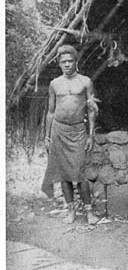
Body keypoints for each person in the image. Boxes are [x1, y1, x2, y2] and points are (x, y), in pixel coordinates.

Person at [41, 45, 100, 225]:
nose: (67, 64)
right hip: (59, 131)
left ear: (76, 62)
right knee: (63, 174)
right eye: (63, 61)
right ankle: (70, 210)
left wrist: (90, 135)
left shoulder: (85, 82)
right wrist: (47, 136)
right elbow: (50, 111)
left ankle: (89, 212)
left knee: (79, 173)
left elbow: (91, 110)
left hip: (78, 131)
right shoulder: (54, 84)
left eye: (70, 61)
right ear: (59, 63)